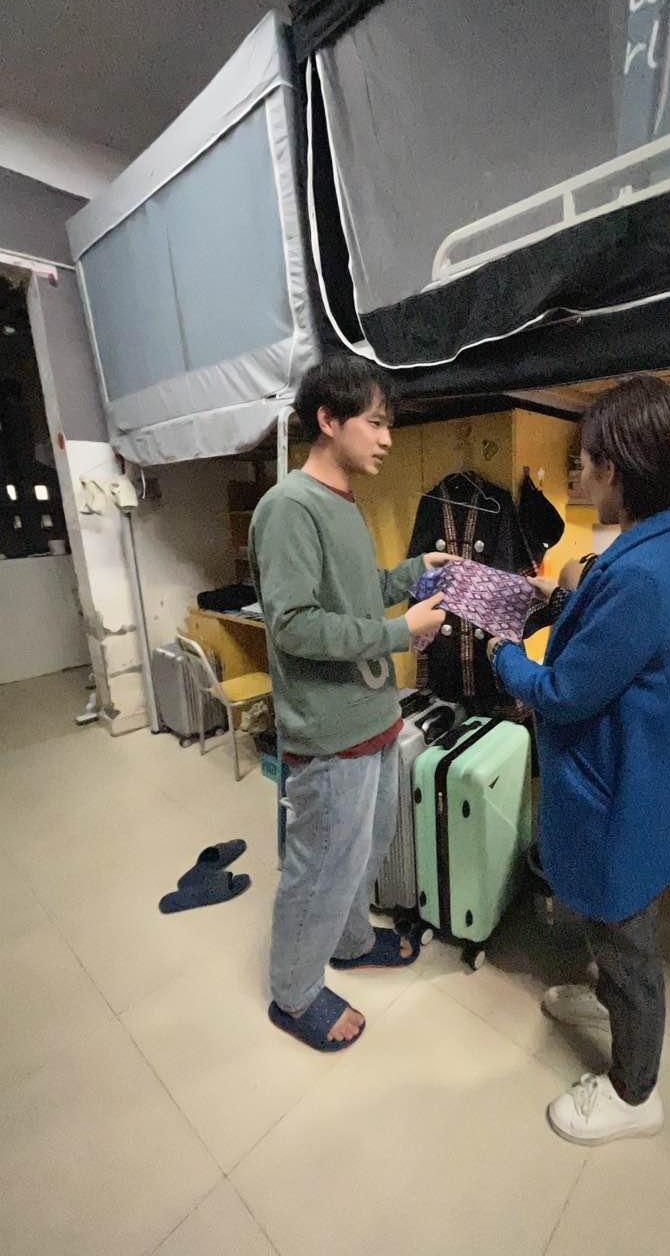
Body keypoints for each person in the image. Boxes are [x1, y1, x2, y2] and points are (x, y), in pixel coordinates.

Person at [488, 375, 670, 1145]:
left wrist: (504, 651)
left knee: (628, 944)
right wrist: (568, 589)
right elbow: (603, 604)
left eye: (584, 461)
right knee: (609, 926)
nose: (577, 474)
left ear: (617, 469)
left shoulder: (638, 573)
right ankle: (607, 1001)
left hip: (620, 794)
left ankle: (635, 1092)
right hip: (628, 779)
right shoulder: (661, 540)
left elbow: (567, 691)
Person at [249, 358, 456, 1052]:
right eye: (375, 422)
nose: (387, 438)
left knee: (366, 848)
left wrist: (413, 574)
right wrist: (401, 632)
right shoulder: (288, 507)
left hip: (373, 716)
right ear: (329, 421)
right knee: (318, 868)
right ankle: (294, 994)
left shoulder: (340, 502)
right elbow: (295, 626)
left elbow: (356, 593)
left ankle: (351, 941)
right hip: (329, 729)